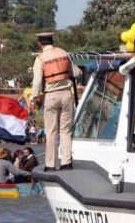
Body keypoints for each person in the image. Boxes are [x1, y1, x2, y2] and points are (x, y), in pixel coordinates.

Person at [30, 32, 79, 172]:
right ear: (52, 41)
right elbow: (75, 73)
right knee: (65, 131)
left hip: (51, 96)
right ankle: (66, 163)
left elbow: (38, 81)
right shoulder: (63, 53)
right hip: (66, 95)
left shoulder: (40, 58)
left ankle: (50, 165)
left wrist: (34, 98)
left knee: (51, 132)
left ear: (40, 43)